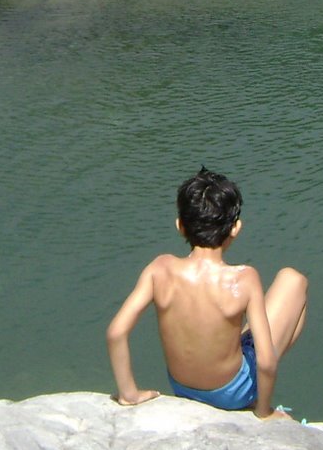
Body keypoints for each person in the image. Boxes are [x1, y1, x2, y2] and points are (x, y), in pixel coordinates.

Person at [106, 169, 308, 420]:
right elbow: (266, 361)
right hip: (234, 393)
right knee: (293, 280)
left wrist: (129, 393)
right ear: (235, 228)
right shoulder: (244, 279)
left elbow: (116, 332)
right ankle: (255, 397)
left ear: (180, 226)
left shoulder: (159, 269)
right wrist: (264, 412)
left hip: (183, 387)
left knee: (242, 332)